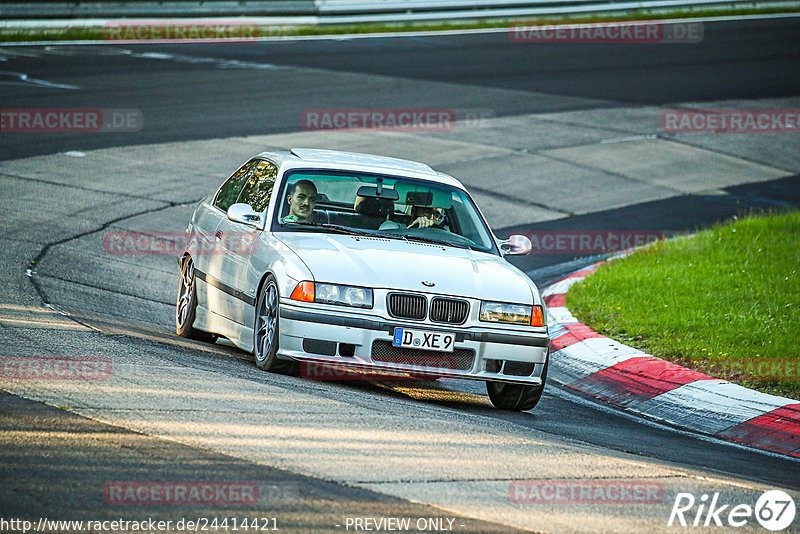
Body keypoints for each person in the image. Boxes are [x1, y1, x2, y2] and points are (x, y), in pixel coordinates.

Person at [379, 205, 444, 230]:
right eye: (427, 211)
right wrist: (411, 229)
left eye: (436, 214)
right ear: (413, 211)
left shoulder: (442, 239)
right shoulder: (392, 226)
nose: (431, 217)